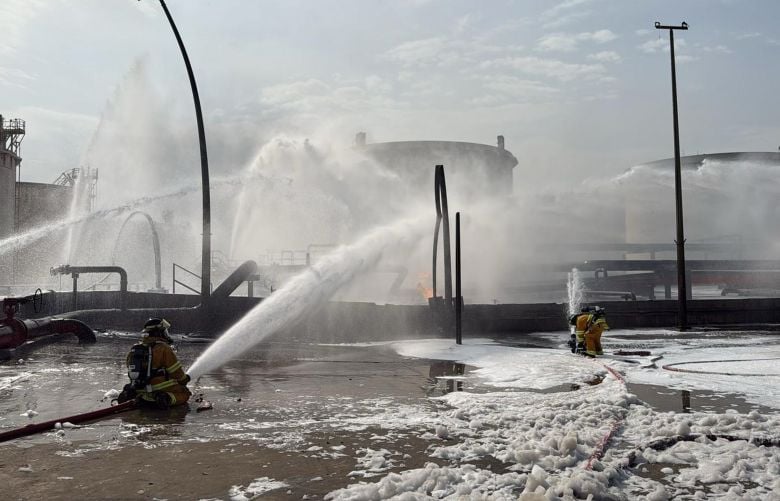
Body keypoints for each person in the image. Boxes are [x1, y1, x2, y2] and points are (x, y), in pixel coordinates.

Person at [117, 318, 191, 409]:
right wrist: (184, 379)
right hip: (159, 389)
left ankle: (132, 395)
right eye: (164, 332)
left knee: (142, 394)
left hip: (140, 389)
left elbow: (130, 367)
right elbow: (176, 372)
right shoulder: (164, 348)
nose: (166, 334)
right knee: (185, 393)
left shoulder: (135, 349)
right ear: (158, 333)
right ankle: (166, 398)